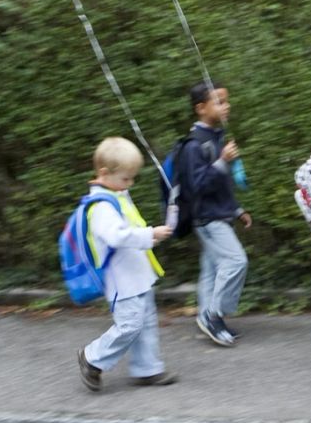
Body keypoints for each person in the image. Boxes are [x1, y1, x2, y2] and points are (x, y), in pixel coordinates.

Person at [77, 137, 175, 392]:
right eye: (126, 179)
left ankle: (147, 368)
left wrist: (148, 237)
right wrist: (151, 234)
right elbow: (117, 236)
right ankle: (91, 357)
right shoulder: (100, 206)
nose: (129, 184)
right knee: (130, 325)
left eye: (132, 178)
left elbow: (131, 226)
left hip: (137, 274)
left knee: (147, 322)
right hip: (121, 278)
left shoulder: (116, 194)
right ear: (104, 173)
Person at [183, 81, 252, 347]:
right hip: (206, 217)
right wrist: (223, 161)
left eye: (227, 100)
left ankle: (207, 317)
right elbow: (197, 186)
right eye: (219, 102)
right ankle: (213, 315)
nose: (227, 106)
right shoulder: (194, 145)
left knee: (212, 270)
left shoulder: (217, 136)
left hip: (219, 213)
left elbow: (221, 185)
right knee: (236, 261)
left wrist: (237, 209)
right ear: (201, 108)